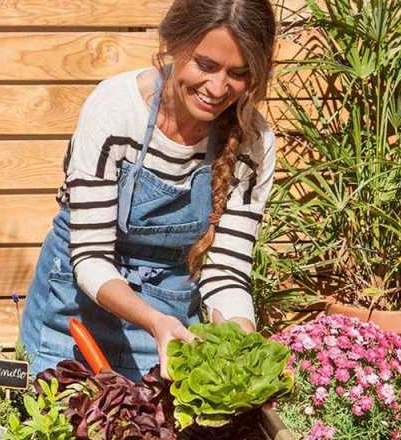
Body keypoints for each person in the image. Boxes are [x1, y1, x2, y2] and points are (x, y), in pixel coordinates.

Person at [20, 0, 278, 381]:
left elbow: (225, 271)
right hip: (72, 316)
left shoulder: (253, 142)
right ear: (173, 42)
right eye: (205, 65)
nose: (217, 87)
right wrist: (153, 321)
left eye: (238, 74)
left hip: (166, 321)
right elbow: (90, 256)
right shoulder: (116, 110)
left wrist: (240, 342)